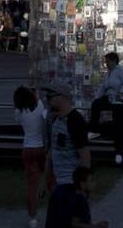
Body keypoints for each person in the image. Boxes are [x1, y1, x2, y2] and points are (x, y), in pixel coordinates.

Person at [46, 89, 92, 226]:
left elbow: (84, 154)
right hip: (58, 185)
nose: (47, 99)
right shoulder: (55, 120)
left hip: (71, 185)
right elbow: (52, 151)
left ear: (63, 97)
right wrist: (45, 179)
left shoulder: (75, 120)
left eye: (50, 96)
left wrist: (84, 186)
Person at [87, 51, 123, 165]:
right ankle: (94, 129)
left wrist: (120, 92)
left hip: (122, 101)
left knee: (119, 126)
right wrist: (97, 98)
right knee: (96, 104)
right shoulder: (108, 74)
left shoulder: (121, 71)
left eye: (108, 61)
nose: (106, 64)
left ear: (114, 61)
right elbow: (103, 88)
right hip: (110, 98)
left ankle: (119, 153)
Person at [15, 86, 50, 228]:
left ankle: (32, 218)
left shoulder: (18, 112)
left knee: (31, 185)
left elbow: (18, 120)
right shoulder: (40, 105)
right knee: (49, 178)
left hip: (28, 148)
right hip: (42, 147)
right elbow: (44, 116)